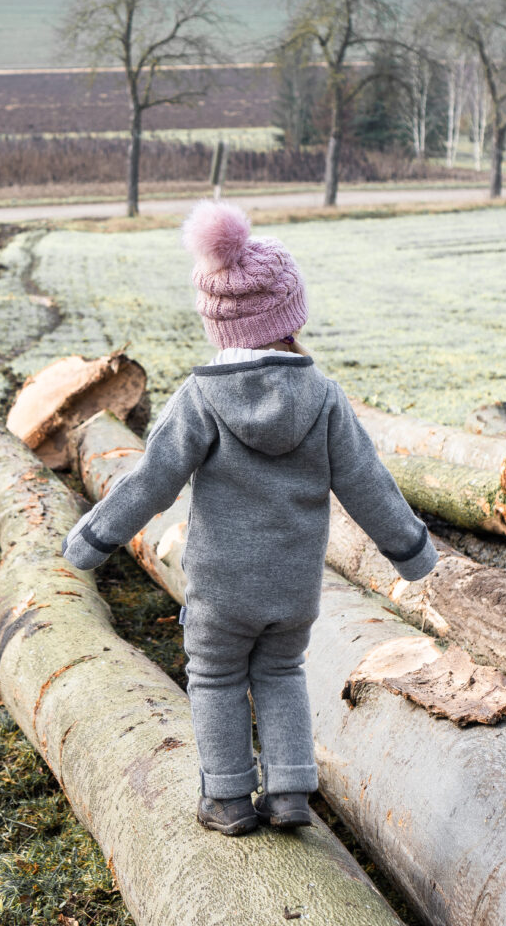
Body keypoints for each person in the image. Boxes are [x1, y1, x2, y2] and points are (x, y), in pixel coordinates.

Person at [62, 200, 438, 837]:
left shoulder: (202, 396)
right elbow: (366, 482)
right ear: (290, 314)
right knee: (282, 672)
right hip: (293, 586)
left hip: (222, 587)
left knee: (214, 678)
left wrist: (92, 538)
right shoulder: (321, 395)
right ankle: (291, 790)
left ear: (218, 322)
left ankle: (229, 799)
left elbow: (150, 481)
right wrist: (412, 552)